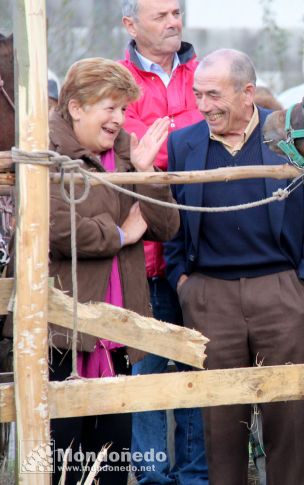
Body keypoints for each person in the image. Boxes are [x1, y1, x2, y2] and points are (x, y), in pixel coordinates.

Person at [164, 48, 304, 485]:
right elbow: (172, 225)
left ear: (247, 93)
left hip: (282, 294)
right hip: (209, 297)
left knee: (289, 428)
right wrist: (183, 283)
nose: (203, 105)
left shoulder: (290, 139)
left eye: (213, 95)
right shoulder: (183, 143)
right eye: (198, 94)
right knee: (220, 432)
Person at [3, 57, 178, 485]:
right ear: (77, 107)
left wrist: (145, 172)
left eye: (123, 108)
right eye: (109, 107)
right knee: (62, 457)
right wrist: (121, 234)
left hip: (119, 330)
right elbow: (58, 229)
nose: (118, 118)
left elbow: (167, 226)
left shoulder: (127, 150)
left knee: (114, 457)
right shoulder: (44, 149)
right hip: (63, 331)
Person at [119, 1, 208, 483]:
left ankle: (196, 476)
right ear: (130, 25)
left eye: (177, 11)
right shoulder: (118, 82)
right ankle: (153, 478)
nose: (173, 21)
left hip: (203, 253)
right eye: (160, 15)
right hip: (145, 255)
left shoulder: (208, 73)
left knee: (196, 370)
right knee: (148, 375)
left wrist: (157, 155)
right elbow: (132, 153)